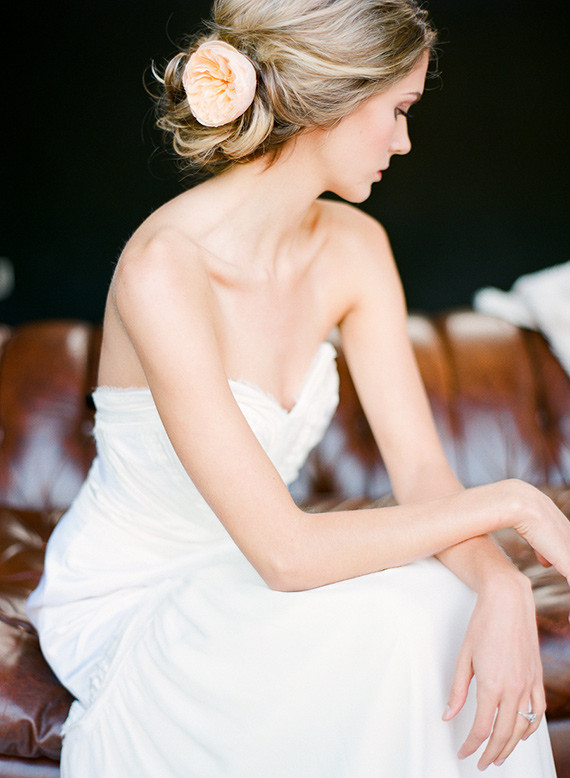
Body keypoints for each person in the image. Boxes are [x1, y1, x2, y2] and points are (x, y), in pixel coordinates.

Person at [26, 0, 569, 775]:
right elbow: (284, 552)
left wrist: (503, 585)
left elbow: (421, 475)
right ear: (334, 99)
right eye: (399, 110)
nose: (406, 140)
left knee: (449, 609)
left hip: (248, 576)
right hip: (144, 596)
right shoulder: (163, 268)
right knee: (404, 621)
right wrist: (515, 501)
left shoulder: (357, 248)